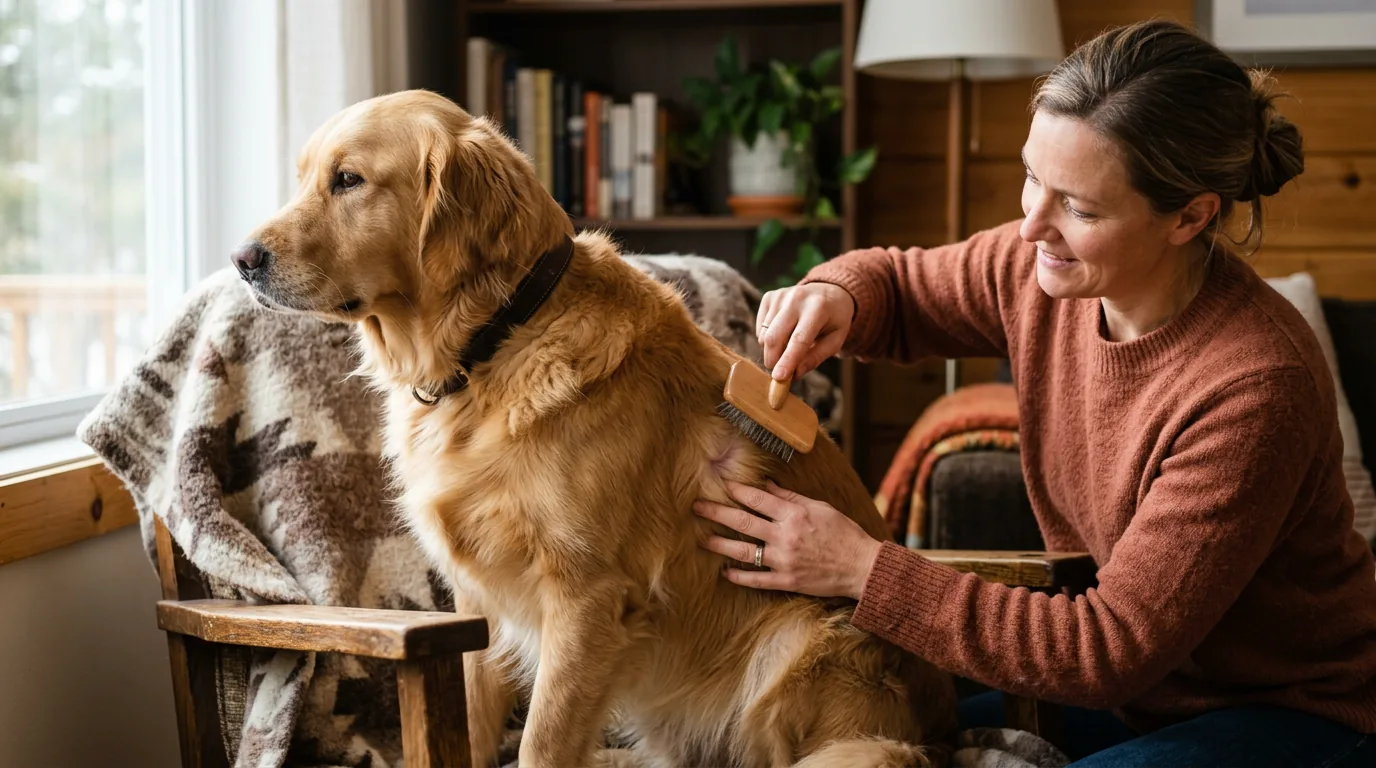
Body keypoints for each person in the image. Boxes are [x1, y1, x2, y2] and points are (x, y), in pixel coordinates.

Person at [692, 18, 1376, 767]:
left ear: (1191, 215)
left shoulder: (1253, 388)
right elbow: (902, 285)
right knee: (873, 727)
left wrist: (861, 567)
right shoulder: (1044, 273)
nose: (1030, 228)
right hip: (1133, 696)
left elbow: (1105, 649)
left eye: (1078, 209)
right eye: (1031, 178)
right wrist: (835, 294)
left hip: (1291, 712)